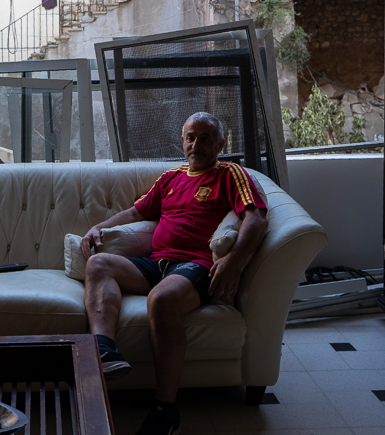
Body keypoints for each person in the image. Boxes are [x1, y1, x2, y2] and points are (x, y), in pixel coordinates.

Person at [81, 112, 267, 435]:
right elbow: (137, 211)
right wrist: (99, 227)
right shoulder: (170, 178)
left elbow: (256, 219)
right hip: (157, 263)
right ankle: (105, 350)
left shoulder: (230, 174)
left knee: (162, 299)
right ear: (182, 141)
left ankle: (165, 411)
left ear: (220, 144)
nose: (196, 145)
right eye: (191, 137)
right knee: (98, 264)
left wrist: (234, 261)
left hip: (196, 267)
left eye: (205, 139)